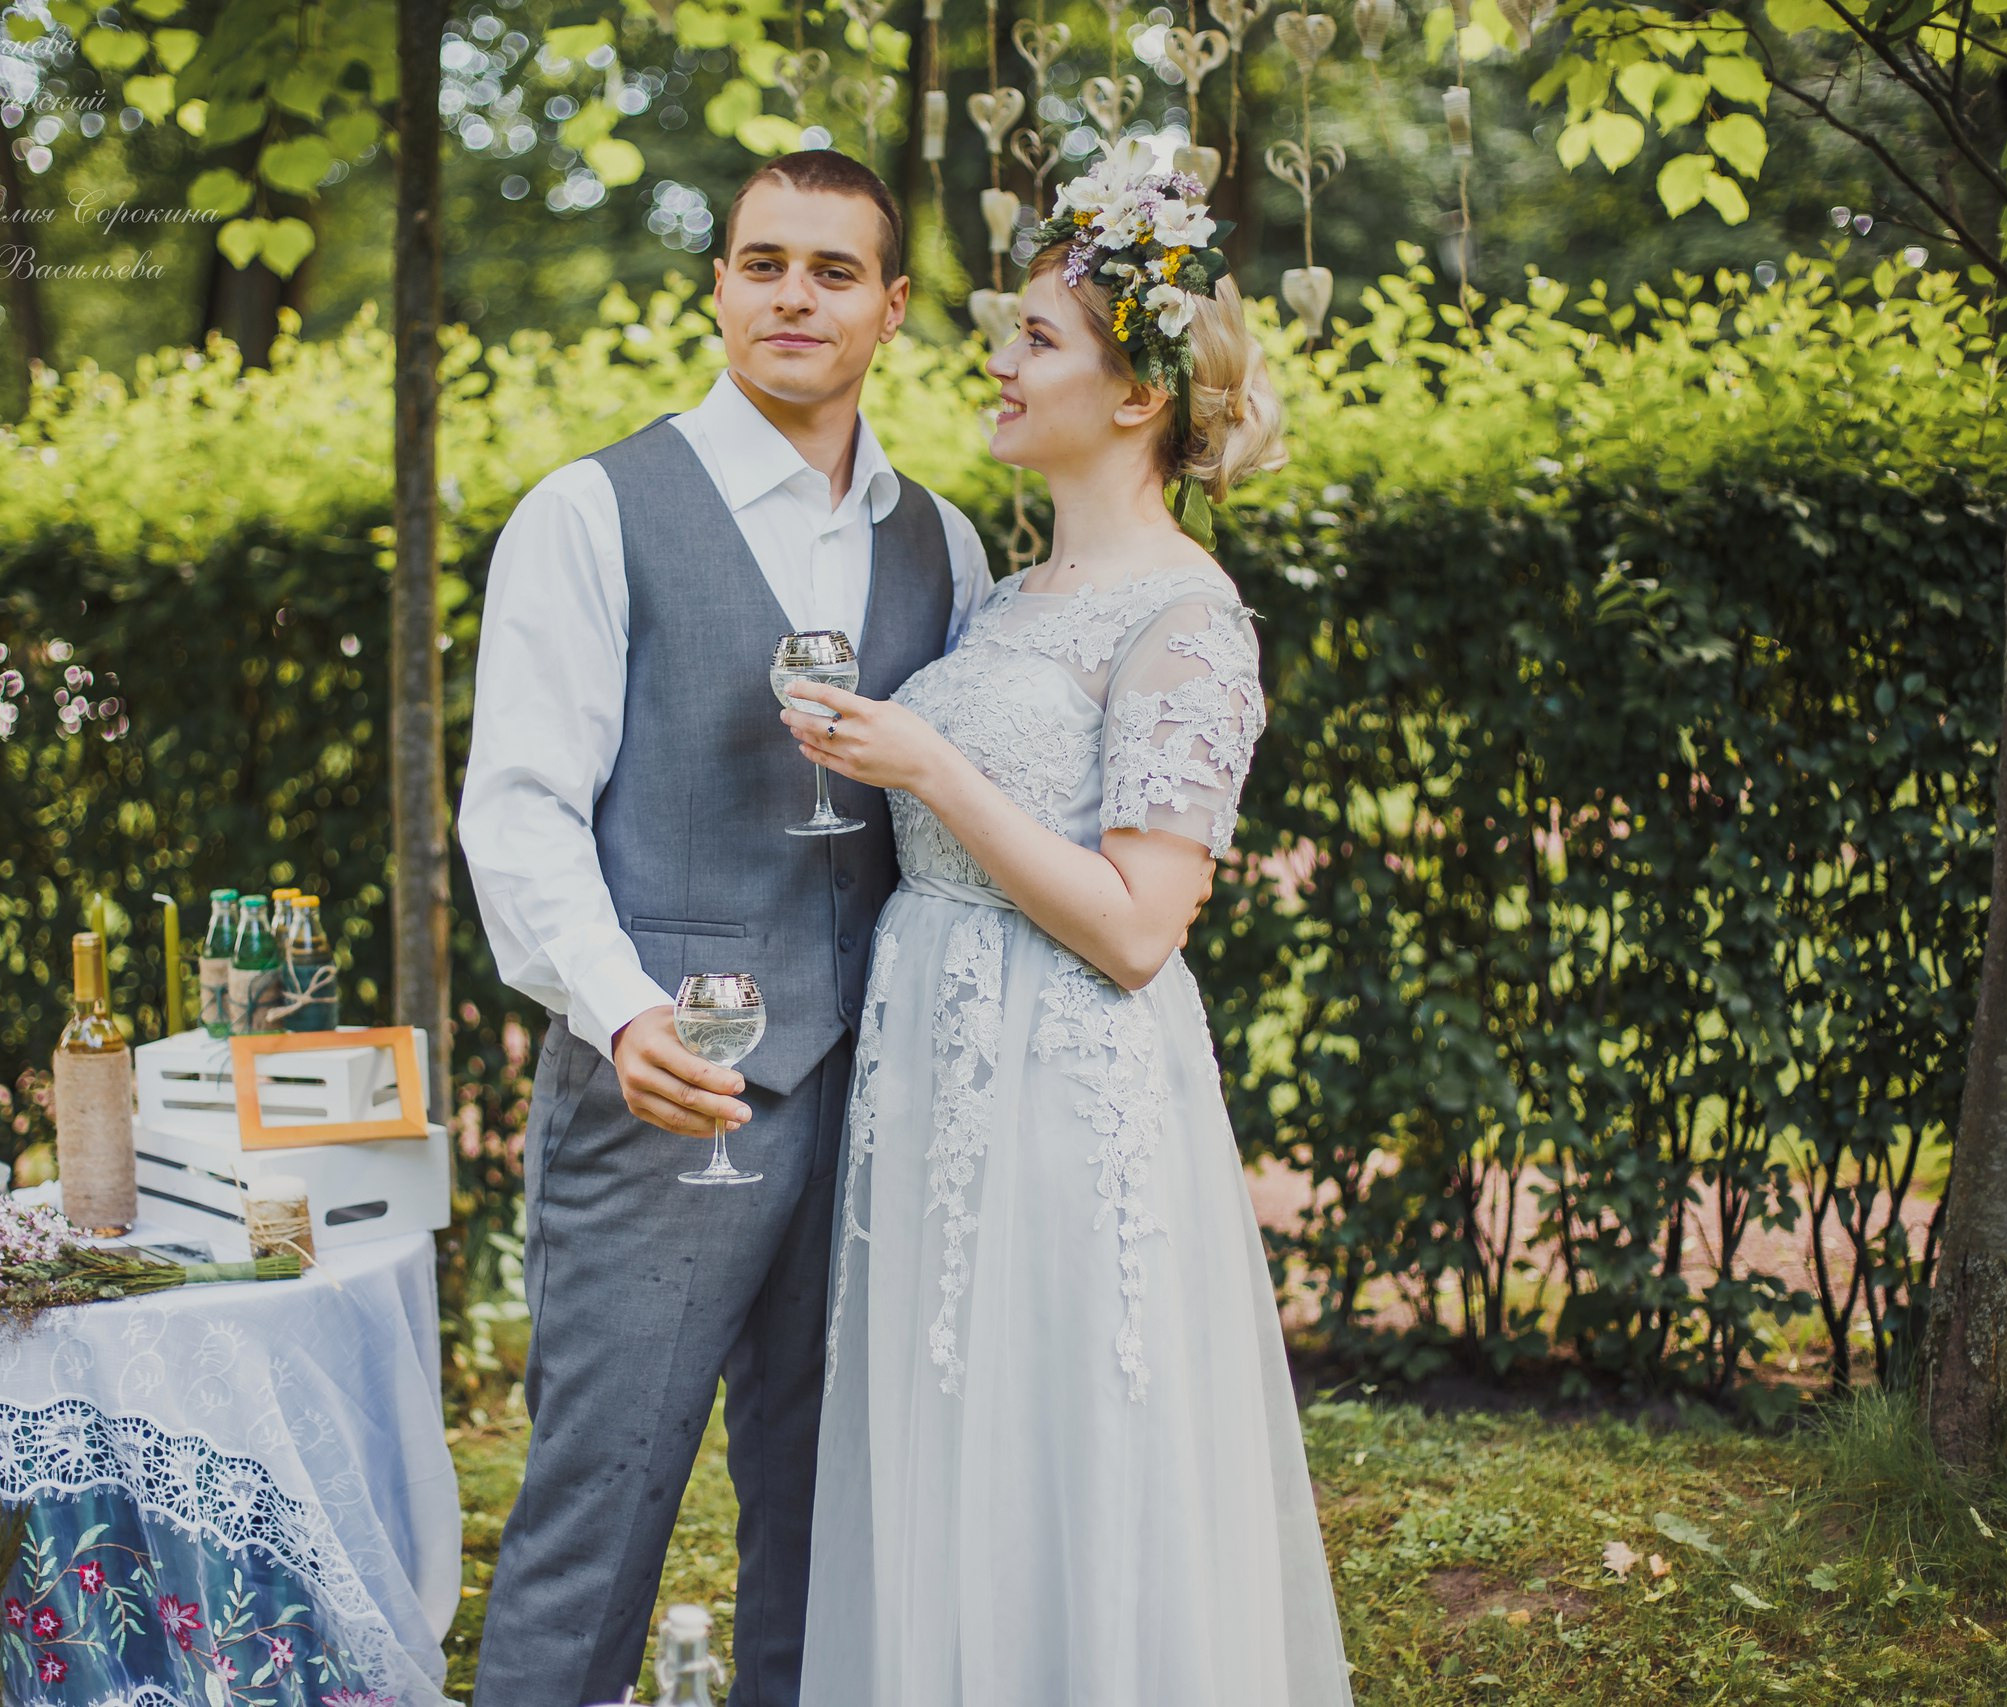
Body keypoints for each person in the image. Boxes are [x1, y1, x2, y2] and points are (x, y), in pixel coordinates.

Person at [781, 142, 1358, 1705]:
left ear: (1137, 395)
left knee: (1067, 1436)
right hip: (937, 1064)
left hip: (1070, 1080)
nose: (1000, 359)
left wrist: (932, 766)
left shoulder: (1189, 618)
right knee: (949, 1428)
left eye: (1038, 339)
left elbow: (1137, 926)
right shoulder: (997, 595)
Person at [456, 150, 995, 1707]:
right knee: (600, 1508)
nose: (793, 296)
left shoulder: (944, 545)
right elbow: (522, 809)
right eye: (763, 263)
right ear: (716, 289)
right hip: (665, 1088)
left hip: (873, 1099)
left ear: (891, 309)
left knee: (832, 1518)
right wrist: (622, 1013)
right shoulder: (591, 513)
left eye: (834, 272)